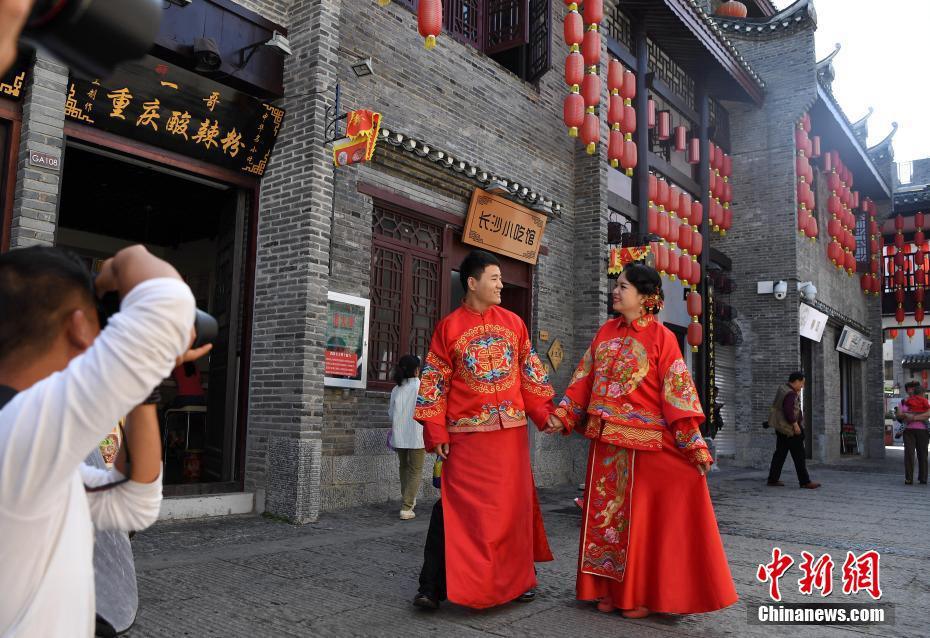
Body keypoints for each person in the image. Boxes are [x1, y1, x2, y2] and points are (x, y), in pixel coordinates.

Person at [0, 245, 206, 636]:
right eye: (99, 324)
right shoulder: (21, 427)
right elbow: (168, 307)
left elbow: (130, 504)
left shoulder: (30, 444)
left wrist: (143, 387)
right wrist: (119, 266)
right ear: (80, 327)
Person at [547, 263, 737, 618]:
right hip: (605, 445)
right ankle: (608, 591)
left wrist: (693, 444)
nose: (615, 291)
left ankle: (641, 596)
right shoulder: (605, 332)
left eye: (623, 286)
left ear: (645, 296)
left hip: (646, 449)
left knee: (640, 525)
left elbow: (677, 395)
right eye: (616, 285)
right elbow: (583, 378)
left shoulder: (663, 338)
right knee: (606, 522)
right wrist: (564, 413)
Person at [412, 250, 558, 610]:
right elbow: (434, 384)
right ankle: (433, 585)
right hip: (466, 440)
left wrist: (545, 414)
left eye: (501, 278)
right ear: (472, 283)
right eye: (494, 278)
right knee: (455, 510)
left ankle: (518, 581)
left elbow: (531, 377)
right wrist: (436, 431)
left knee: (512, 511)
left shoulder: (515, 324)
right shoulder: (448, 328)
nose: (501, 285)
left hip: (509, 439)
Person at [766, 371, 820, 489]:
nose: (802, 386)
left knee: (780, 455)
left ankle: (772, 479)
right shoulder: (790, 394)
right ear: (796, 381)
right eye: (802, 383)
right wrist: (795, 425)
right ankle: (805, 481)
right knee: (799, 456)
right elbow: (788, 411)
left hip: (782, 429)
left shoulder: (783, 389)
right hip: (790, 430)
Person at [389, 354, 424, 520]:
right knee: (415, 470)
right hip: (417, 434)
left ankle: (408, 500)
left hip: (400, 434)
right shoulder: (421, 387)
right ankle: (407, 507)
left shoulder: (396, 389)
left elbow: (391, 413)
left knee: (403, 467)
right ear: (416, 370)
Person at [900, 384, 929, 485]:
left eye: (912, 389)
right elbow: (899, 415)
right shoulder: (905, 401)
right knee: (910, 454)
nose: (910, 391)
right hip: (909, 431)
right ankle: (911, 478)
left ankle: (921, 478)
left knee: (922, 454)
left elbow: (928, 414)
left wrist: (912, 417)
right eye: (909, 389)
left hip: (921, 431)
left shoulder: (908, 401)